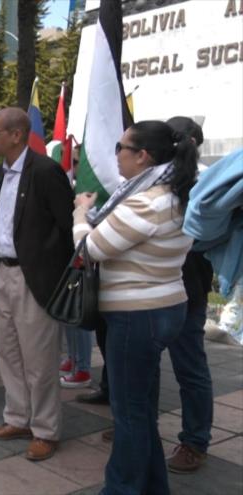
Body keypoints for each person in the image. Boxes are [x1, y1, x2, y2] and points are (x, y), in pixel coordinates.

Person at [73, 120, 197, 494]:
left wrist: (80, 215)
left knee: (129, 414)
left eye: (121, 148)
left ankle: (122, 488)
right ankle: (153, 486)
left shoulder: (146, 201)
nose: (116, 156)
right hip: (163, 307)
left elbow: (89, 249)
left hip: (137, 316)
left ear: (143, 156)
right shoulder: (173, 193)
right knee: (141, 410)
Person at [0, 107, 74, 462]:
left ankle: (46, 430)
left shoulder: (46, 172)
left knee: (40, 358)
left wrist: (51, 275)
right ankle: (17, 417)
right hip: (3, 272)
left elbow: (65, 229)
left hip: (35, 277)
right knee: (9, 352)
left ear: (17, 135)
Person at [164, 116, 214, 474]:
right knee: (145, 367)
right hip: (154, 289)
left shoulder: (208, 184)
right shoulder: (154, 180)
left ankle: (195, 441)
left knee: (190, 368)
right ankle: (136, 427)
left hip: (187, 289)